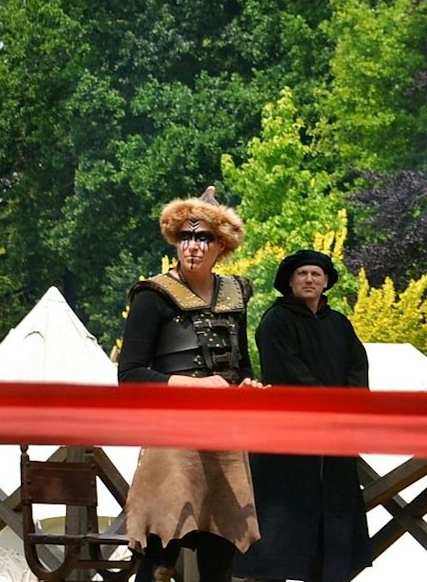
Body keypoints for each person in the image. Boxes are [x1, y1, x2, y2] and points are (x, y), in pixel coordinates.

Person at [117, 188, 263, 581]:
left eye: (202, 238)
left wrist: (246, 385)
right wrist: (196, 386)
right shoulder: (153, 295)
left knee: (220, 557)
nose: (193, 246)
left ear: (221, 245)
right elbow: (129, 376)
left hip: (225, 439)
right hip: (172, 438)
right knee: (161, 559)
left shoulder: (235, 294)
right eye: (184, 236)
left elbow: (240, 365)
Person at [235, 250, 372, 582]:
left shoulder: (339, 323)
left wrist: (350, 407)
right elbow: (288, 373)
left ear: (326, 282)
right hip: (289, 441)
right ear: (290, 281)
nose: (309, 279)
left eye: (316, 274)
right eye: (302, 274)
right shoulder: (275, 321)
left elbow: (358, 367)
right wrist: (329, 406)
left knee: (333, 532)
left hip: (336, 441)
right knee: (281, 532)